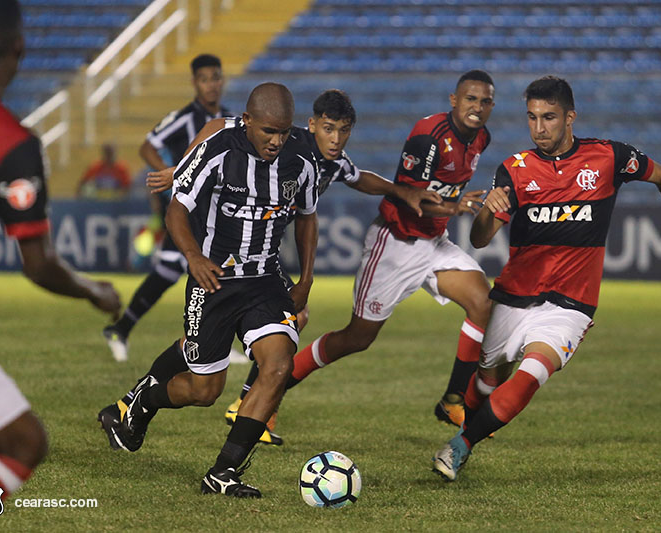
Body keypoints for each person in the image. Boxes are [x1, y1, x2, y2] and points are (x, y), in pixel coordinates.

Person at [99, 89, 442, 447]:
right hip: (220, 238)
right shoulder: (278, 133)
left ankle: (168, 401)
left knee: (243, 333)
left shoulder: (327, 162)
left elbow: (360, 178)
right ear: (311, 125)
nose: (336, 139)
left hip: (261, 254)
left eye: (343, 131)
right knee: (243, 337)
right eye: (328, 129)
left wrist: (403, 193)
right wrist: (184, 170)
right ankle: (209, 401)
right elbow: (218, 126)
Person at [431, 75, 661, 482]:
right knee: (489, 380)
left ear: (570, 118)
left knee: (531, 376)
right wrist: (486, 211)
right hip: (513, 297)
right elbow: (480, 239)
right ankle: (468, 426)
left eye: (548, 118)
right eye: (531, 118)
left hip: (571, 304)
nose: (539, 128)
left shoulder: (608, 158)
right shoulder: (514, 169)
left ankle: (461, 446)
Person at [102, 82, 320, 498]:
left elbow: (308, 218)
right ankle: (144, 402)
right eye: (269, 131)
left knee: (277, 366)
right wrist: (194, 258)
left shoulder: (302, 158)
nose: (277, 141)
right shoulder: (219, 149)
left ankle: (222, 473)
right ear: (248, 121)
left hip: (266, 280)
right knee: (205, 391)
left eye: (284, 132)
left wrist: (306, 279)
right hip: (214, 280)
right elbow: (177, 210)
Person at [0, 1, 122, 530]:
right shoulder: (11, 142)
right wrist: (93, 290)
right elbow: (39, 263)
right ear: (18, 51)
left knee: (26, 441)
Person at [284, 70, 497, 428]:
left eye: (485, 101)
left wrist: (451, 207)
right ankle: (275, 388)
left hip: (433, 244)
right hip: (395, 243)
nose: (477, 107)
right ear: (454, 100)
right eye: (470, 99)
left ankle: (453, 400)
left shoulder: (482, 138)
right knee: (357, 338)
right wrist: (453, 206)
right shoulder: (427, 138)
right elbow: (411, 198)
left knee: (482, 303)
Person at [101, 53, 231, 363]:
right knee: (190, 268)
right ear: (194, 83)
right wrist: (171, 176)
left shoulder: (226, 118)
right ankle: (123, 329)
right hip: (184, 208)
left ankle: (125, 330)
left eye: (215, 78)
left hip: (211, 210)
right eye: (204, 79)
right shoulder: (184, 117)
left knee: (194, 269)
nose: (211, 85)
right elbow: (147, 147)